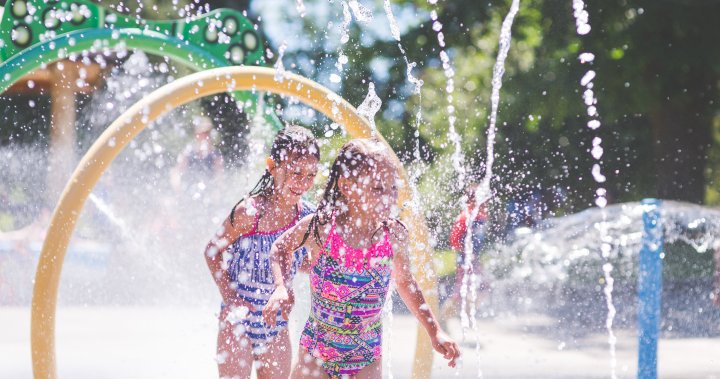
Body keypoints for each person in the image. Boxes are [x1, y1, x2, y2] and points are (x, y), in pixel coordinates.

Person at [263, 138, 460, 378]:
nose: (388, 197)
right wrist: (281, 287)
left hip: (365, 358)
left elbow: (406, 282)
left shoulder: (394, 235)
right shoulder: (322, 227)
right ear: (346, 186)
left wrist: (434, 330)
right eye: (377, 189)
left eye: (392, 188)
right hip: (316, 355)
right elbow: (280, 248)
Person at [203, 125, 320, 379]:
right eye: (295, 171)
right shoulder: (250, 212)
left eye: (311, 174)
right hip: (238, 318)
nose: (303, 181)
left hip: (276, 323)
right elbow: (212, 251)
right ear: (272, 165)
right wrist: (230, 297)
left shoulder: (309, 218)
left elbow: (305, 262)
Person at [446, 183, 489, 315]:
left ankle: (467, 313)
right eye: (483, 198)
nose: (486, 202)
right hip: (465, 259)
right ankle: (443, 318)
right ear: (473, 200)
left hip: (474, 259)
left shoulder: (480, 217)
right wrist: (466, 253)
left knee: (483, 286)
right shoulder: (466, 216)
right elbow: (453, 239)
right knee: (460, 292)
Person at [171, 116, 225, 200]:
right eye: (202, 133)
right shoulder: (189, 152)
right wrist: (178, 189)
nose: (205, 136)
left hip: (209, 195)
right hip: (190, 193)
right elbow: (176, 172)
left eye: (207, 133)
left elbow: (219, 174)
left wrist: (218, 191)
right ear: (197, 135)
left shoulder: (215, 154)